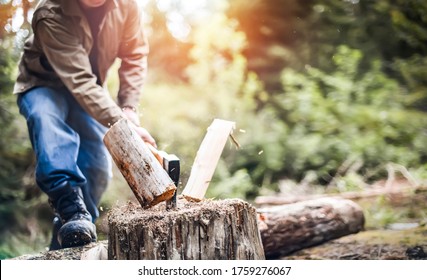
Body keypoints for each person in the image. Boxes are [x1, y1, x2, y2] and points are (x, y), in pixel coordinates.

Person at [13, 0, 156, 250]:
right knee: (48, 126)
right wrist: (122, 124)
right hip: (42, 84)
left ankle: (74, 234)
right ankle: (69, 207)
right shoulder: (50, 12)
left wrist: (129, 108)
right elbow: (79, 79)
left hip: (90, 91)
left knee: (98, 167)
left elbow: (134, 55)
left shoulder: (127, 6)